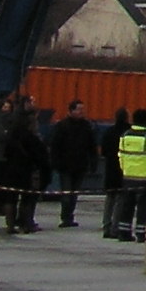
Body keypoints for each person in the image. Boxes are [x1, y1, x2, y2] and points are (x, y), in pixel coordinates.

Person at [113, 108, 146, 241]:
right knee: (144, 206)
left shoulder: (125, 135)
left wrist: (124, 170)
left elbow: (121, 155)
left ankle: (124, 232)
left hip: (129, 176)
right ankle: (141, 232)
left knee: (127, 205)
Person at [49, 98, 97, 229]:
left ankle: (69, 216)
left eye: (83, 109)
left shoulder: (86, 126)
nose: (82, 112)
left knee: (74, 194)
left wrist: (93, 162)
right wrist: (55, 163)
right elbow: (55, 145)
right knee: (66, 193)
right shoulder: (62, 126)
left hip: (80, 165)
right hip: (65, 166)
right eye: (79, 109)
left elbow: (91, 146)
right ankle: (65, 217)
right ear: (71, 111)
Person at [1, 104, 49, 235]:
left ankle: (10, 225)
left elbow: (5, 154)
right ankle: (25, 224)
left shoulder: (11, 136)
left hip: (11, 170)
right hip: (26, 171)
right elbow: (40, 157)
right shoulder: (32, 138)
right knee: (27, 198)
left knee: (11, 198)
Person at [99, 109, 129, 239]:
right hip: (124, 168)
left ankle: (106, 225)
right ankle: (115, 227)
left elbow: (103, 151)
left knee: (110, 198)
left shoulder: (109, 131)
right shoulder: (129, 132)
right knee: (120, 199)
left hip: (110, 168)